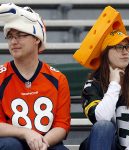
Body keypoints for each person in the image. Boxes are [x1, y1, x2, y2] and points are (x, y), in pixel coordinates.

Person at [0, 3, 70, 150]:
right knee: (9, 145)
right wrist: (26, 133)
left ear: (37, 38)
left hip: (48, 143)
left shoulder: (58, 79)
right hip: (13, 143)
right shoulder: (1, 77)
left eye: (20, 35)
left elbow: (62, 125)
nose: (13, 42)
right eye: (10, 36)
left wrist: (43, 143)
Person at [79, 30, 129, 150]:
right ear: (106, 53)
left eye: (128, 47)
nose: (125, 52)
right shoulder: (92, 85)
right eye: (119, 47)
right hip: (104, 145)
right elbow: (101, 119)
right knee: (104, 127)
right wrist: (114, 84)